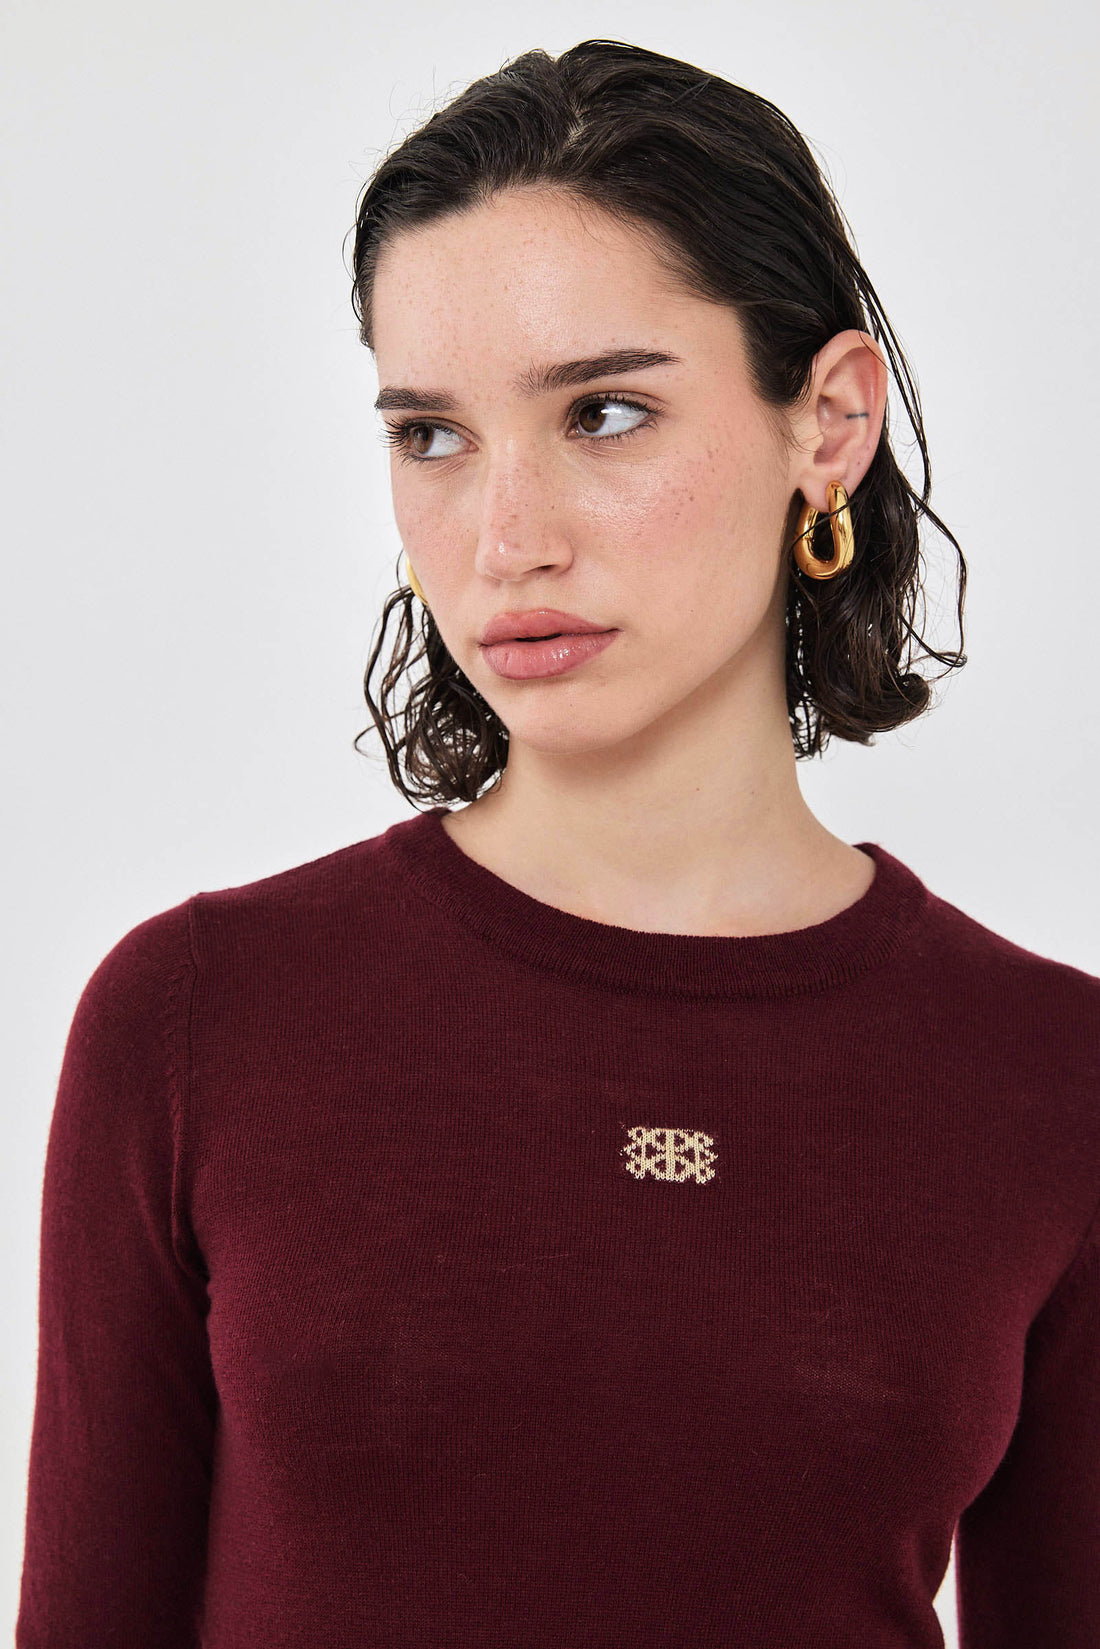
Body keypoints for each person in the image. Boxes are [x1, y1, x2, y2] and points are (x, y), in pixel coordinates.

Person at [17, 38, 1100, 1649]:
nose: (505, 537)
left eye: (604, 412)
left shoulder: (1050, 1080)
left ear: (829, 423)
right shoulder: (196, 1020)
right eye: (432, 434)